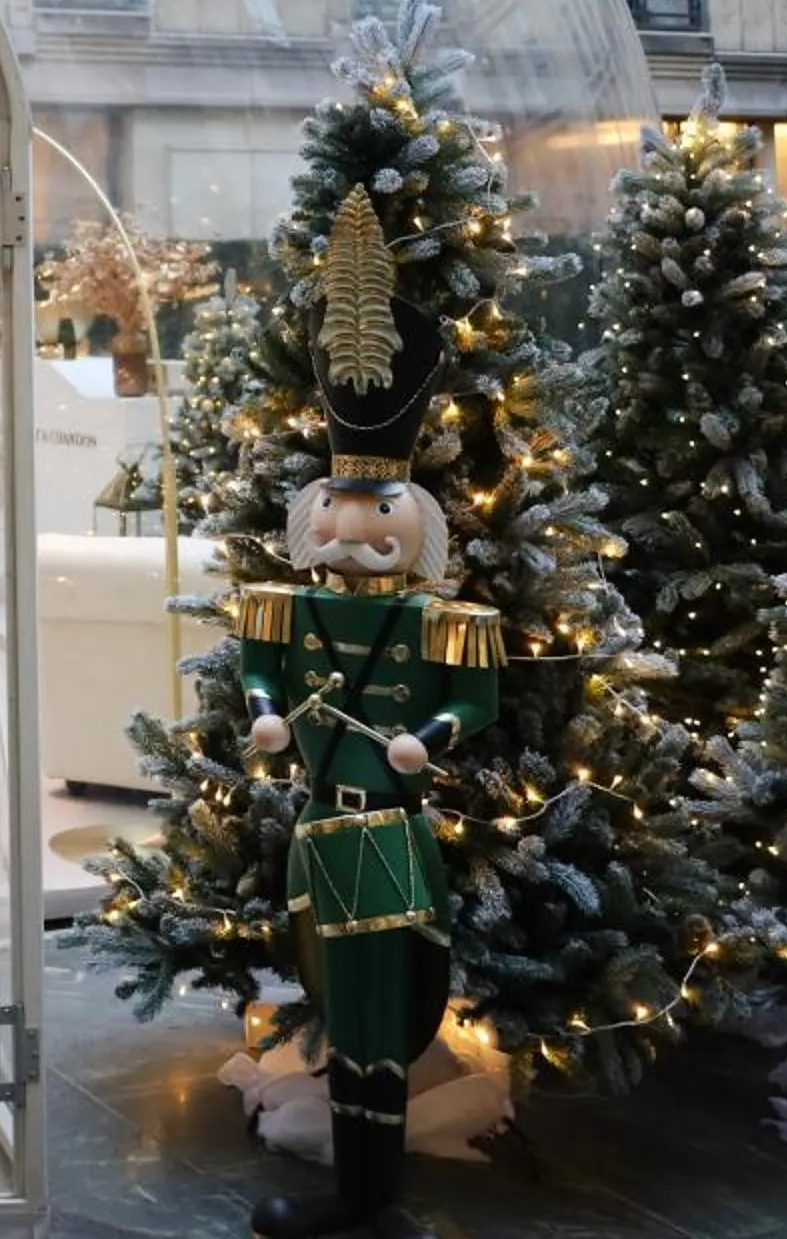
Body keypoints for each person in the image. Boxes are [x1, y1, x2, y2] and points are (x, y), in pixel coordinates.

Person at [235, 187, 503, 1239]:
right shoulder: (283, 604)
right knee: (341, 1012)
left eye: (378, 507)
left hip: (393, 834)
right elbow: (259, 675)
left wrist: (423, 740)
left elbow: (472, 702)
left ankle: (377, 1197)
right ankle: (352, 1192)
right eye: (341, 506)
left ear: (415, 517)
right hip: (318, 829)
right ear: (315, 513)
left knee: (387, 1017)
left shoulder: (447, 618)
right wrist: (264, 714)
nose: (356, 525)